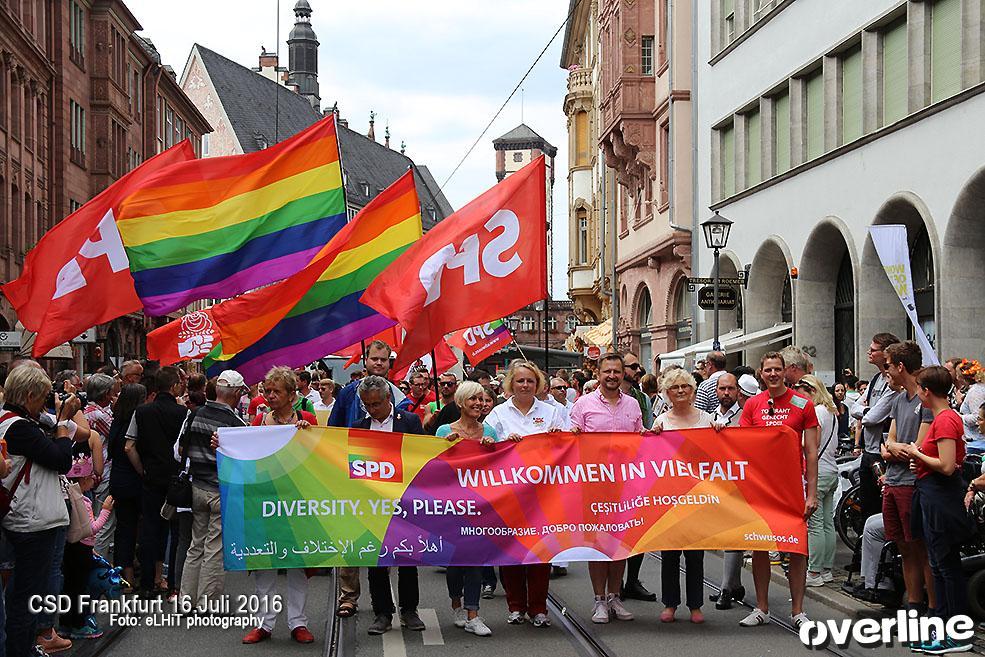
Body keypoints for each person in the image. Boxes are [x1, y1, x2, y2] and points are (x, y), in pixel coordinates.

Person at [1, 365, 80, 657]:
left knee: (23, 592)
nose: (46, 401)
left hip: (26, 516)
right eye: (44, 396)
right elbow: (61, 459)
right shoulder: (19, 427)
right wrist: (62, 424)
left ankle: (24, 646)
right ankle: (21, 650)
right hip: (32, 522)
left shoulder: (10, 421)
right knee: (27, 596)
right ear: (31, 395)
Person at [738, 351, 819, 629]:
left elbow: (811, 451)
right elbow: (743, 447)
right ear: (761, 373)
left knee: (797, 548)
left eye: (777, 369)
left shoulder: (803, 404)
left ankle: (798, 611)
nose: (772, 374)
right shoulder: (753, 405)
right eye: (768, 370)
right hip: (761, 488)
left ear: (786, 372)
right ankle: (762, 608)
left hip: (793, 487)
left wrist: (812, 493)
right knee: (759, 546)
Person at [486, 361, 565, 627]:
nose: (525, 385)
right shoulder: (497, 414)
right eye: (520, 381)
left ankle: (539, 608)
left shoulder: (552, 412)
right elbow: (486, 449)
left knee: (541, 554)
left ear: (538, 384)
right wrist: (501, 444)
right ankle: (516, 606)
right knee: (511, 553)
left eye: (530, 381)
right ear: (511, 384)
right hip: (509, 495)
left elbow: (569, 444)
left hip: (544, 495)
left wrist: (560, 437)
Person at [242, 367, 317, 645]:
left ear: (291, 395)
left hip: (297, 502)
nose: (270, 396)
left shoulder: (307, 418)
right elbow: (247, 455)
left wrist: (310, 434)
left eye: (276, 391)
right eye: (267, 390)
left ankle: (298, 622)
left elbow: (321, 455)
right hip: (266, 501)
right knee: (265, 562)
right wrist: (222, 446)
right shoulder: (259, 421)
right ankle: (264, 623)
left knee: (297, 561)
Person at [901, 366, 973, 654]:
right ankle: (946, 628)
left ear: (926, 391)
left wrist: (916, 453)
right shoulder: (947, 418)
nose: (917, 393)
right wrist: (920, 459)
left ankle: (956, 632)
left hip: (939, 496)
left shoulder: (944, 420)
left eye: (919, 388)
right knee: (941, 564)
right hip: (935, 494)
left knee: (945, 566)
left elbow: (945, 465)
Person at [568, 353, 641, 624]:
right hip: (593, 486)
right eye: (607, 371)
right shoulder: (583, 404)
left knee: (620, 544)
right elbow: (569, 443)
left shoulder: (633, 405)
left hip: (624, 487)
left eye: (617, 372)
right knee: (597, 544)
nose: (612, 376)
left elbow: (640, 441)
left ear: (623, 374)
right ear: (598, 374)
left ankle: (615, 596)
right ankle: (599, 600)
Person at [353, 376, 427, 636]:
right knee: (376, 560)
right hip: (373, 503)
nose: (372, 409)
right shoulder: (358, 427)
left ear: (388, 399)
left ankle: (409, 610)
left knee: (408, 558)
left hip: (405, 500)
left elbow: (422, 457)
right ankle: (382, 612)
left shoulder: (409, 422)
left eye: (376, 403)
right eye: (367, 405)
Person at [435, 381, 499, 637]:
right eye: (472, 399)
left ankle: (474, 614)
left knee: (474, 559)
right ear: (461, 402)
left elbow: (502, 467)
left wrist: (494, 447)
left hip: (481, 505)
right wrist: (444, 447)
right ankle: (456, 604)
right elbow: (431, 469)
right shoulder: (443, 430)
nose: (478, 404)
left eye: (481, 399)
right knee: (455, 562)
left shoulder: (490, 430)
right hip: (451, 506)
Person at [179, 370, 247, 609]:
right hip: (220, 490)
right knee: (214, 547)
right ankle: (207, 603)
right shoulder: (235, 423)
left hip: (196, 486)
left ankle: (187, 598)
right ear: (236, 394)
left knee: (196, 544)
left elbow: (180, 450)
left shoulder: (194, 415)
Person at [650, 368, 713, 624]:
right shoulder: (661, 422)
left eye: (685, 387)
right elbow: (651, 459)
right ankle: (670, 604)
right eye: (674, 388)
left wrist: (721, 432)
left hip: (698, 496)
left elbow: (718, 454)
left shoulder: (707, 419)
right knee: (670, 554)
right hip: (670, 497)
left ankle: (695, 605)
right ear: (666, 393)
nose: (680, 391)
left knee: (696, 554)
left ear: (692, 391)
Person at [881, 341, 935, 613]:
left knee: (920, 547)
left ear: (901, 366)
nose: (885, 371)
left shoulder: (924, 401)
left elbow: (919, 448)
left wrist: (895, 448)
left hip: (911, 485)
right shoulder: (898, 399)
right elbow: (888, 444)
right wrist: (895, 448)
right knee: (903, 546)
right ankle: (913, 602)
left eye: (888, 365)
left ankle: (932, 607)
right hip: (892, 481)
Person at [126, 366, 187, 597]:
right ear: (173, 387)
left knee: (150, 528)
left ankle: (147, 584)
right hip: (176, 481)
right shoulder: (183, 413)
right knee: (175, 531)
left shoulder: (142, 412)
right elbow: (184, 447)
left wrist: (142, 470)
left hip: (151, 477)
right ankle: (171, 582)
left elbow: (129, 445)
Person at [60, 456, 114, 639]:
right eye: (91, 476)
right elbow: (91, 528)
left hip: (70, 547)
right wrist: (106, 510)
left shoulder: (69, 498)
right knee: (80, 588)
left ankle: (65, 624)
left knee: (69, 586)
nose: (94, 479)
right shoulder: (83, 502)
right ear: (83, 480)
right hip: (81, 549)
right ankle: (80, 625)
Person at [710, 372, 751, 610]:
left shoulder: (746, 415)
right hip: (718, 483)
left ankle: (726, 589)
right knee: (730, 535)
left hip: (741, 483)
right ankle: (734, 585)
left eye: (731, 389)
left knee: (734, 535)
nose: (726, 393)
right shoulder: (709, 416)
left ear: (738, 392)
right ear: (716, 391)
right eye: (722, 389)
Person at [850, 333, 901, 522]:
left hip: (883, 452)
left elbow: (872, 417)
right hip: (869, 451)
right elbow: (858, 409)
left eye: (873, 350)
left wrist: (867, 413)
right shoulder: (875, 380)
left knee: (881, 509)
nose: (868, 352)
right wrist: (868, 412)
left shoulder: (892, 383)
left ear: (885, 353)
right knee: (867, 506)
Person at [795, 375, 840, 588]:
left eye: (802, 395)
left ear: (812, 392)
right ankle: (827, 569)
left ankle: (814, 571)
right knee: (827, 523)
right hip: (831, 470)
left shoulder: (816, 412)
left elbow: (812, 444)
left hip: (819, 472)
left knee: (815, 524)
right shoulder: (831, 411)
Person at [108, 383, 146, 593]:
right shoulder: (136, 421)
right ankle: (135, 574)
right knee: (139, 527)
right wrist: (142, 470)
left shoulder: (117, 420)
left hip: (118, 479)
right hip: (134, 479)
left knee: (124, 529)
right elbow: (130, 447)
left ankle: (125, 577)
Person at [329, 340, 407, 429]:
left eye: (383, 359)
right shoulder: (347, 393)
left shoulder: (399, 398)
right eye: (374, 359)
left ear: (389, 362)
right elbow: (333, 428)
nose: (379, 363)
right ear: (366, 360)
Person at [83, 373, 118, 558]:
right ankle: (100, 565)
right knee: (103, 522)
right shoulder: (99, 415)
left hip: (92, 474)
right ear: (105, 394)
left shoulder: (86, 412)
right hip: (103, 472)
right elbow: (117, 434)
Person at [957, 359, 985, 447]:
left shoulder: (976, 392)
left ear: (963, 378)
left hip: (976, 441)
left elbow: (977, 417)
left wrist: (960, 417)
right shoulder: (974, 389)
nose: (957, 378)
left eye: (958, 375)